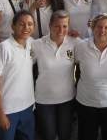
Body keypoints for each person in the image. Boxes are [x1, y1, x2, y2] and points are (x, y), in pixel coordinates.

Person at [75, 13, 107, 140]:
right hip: (86, 104)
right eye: (98, 27)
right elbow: (72, 64)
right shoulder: (81, 46)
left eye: (106, 27)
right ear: (92, 28)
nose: (102, 30)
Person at [31, 10, 80, 140]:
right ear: (50, 25)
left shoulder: (75, 43)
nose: (61, 30)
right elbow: (22, 62)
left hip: (67, 99)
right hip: (44, 99)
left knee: (65, 135)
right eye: (57, 26)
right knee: (49, 135)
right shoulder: (37, 45)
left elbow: (94, 48)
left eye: (64, 26)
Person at [0, 11, 36, 140]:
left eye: (30, 24)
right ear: (13, 26)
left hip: (27, 107)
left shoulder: (32, 43)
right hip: (7, 110)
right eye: (21, 24)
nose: (26, 27)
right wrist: (0, 113)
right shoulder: (3, 48)